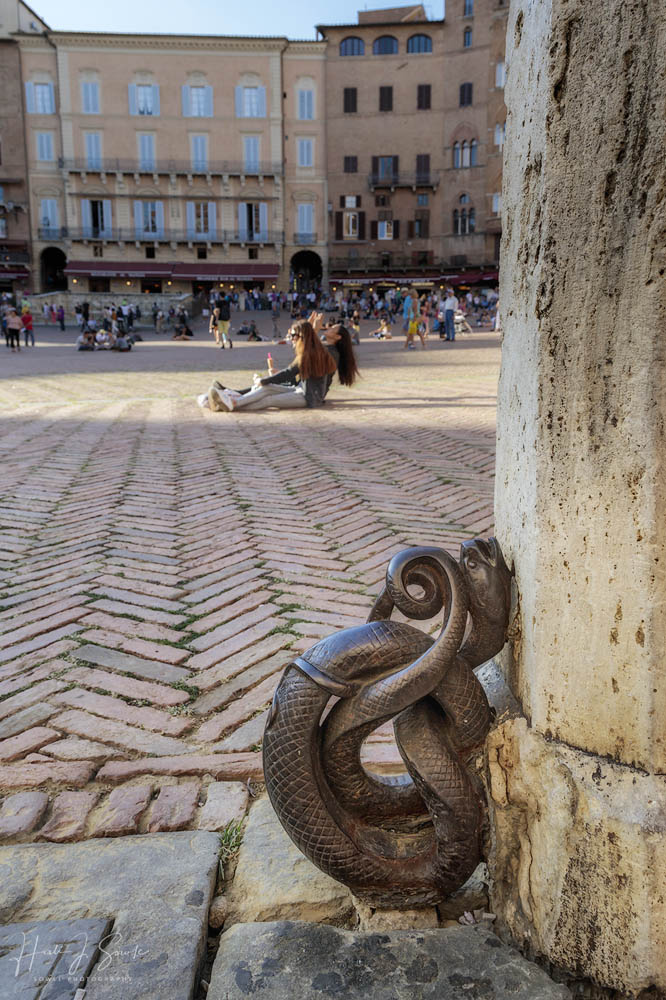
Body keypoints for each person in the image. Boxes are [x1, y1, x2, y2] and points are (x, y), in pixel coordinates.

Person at [206, 315, 339, 412]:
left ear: (303, 337)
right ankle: (229, 403)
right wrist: (266, 381)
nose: (291, 339)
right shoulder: (313, 350)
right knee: (266, 389)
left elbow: (289, 372)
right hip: (301, 390)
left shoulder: (311, 354)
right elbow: (294, 374)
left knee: (268, 400)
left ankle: (232, 404)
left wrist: (264, 380)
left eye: (294, 336)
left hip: (308, 397)